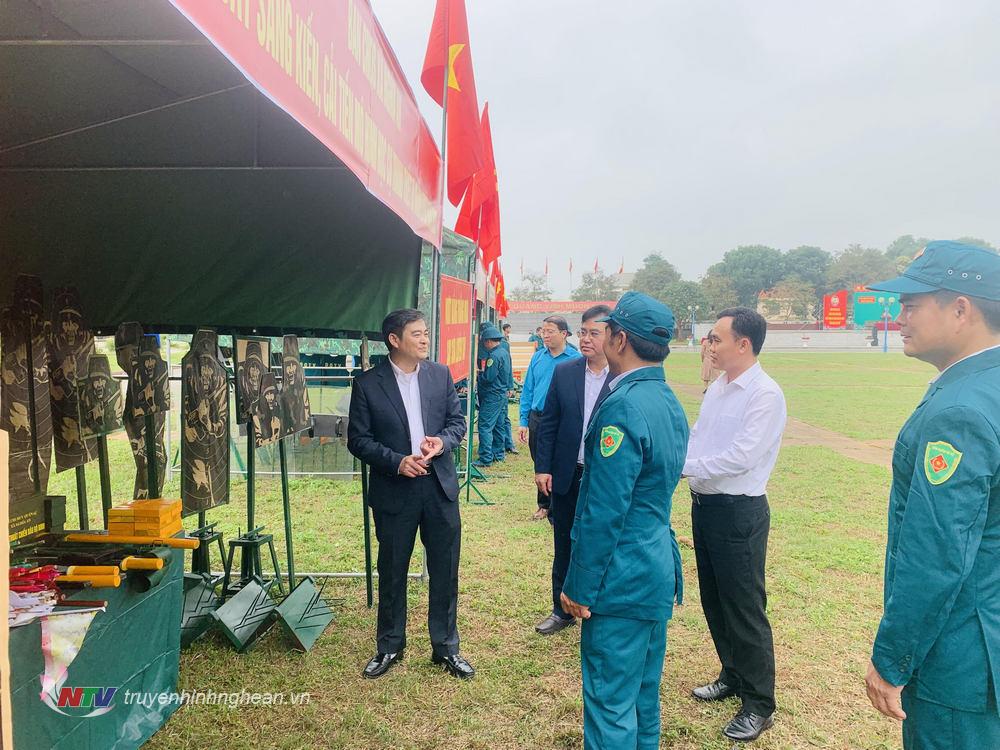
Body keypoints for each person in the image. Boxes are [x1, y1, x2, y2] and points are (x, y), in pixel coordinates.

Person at [861, 241, 1000, 749]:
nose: (898, 317)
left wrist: (892, 658)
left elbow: (937, 553)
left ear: (960, 309)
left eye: (911, 304)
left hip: (961, 659)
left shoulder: (960, 409)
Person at [560, 291, 687, 750]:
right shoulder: (667, 398)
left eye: (607, 330)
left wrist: (579, 585)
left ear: (620, 339)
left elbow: (604, 510)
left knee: (610, 703)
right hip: (653, 569)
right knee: (641, 699)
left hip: (621, 577)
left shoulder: (623, 405)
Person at [347, 309, 473, 680]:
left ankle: (446, 648)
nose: (425, 339)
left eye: (426, 332)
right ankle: (389, 646)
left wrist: (442, 442)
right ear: (394, 339)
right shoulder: (368, 384)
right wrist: (398, 461)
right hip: (395, 490)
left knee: (445, 569)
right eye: (416, 333)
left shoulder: (440, 374)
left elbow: (457, 423)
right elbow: (358, 440)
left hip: (438, 487)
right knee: (392, 570)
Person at [684, 307, 786, 742]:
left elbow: (742, 456)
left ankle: (759, 704)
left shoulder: (764, 394)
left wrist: (685, 467)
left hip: (738, 512)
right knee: (715, 599)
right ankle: (732, 673)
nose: (709, 345)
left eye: (716, 338)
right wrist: (684, 460)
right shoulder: (719, 388)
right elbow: (699, 437)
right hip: (705, 506)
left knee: (744, 607)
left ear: (743, 344)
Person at [532, 305, 611, 636]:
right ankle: (561, 610)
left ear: (614, 337)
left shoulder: (623, 378)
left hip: (604, 479)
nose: (587, 339)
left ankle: (600, 609)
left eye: (595, 333)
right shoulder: (566, 372)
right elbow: (549, 423)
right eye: (583, 332)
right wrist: (543, 468)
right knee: (563, 542)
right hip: (567, 474)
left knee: (601, 544)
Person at [519, 315, 581, 519]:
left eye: (550, 331)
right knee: (540, 460)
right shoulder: (538, 357)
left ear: (564, 334)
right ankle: (544, 504)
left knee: (561, 460)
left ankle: (558, 505)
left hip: (564, 418)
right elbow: (528, 389)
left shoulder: (576, 359)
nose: (545, 335)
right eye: (543, 331)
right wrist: (523, 420)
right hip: (538, 417)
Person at [473, 324, 510, 468]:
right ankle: (498, 454)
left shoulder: (493, 356)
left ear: (488, 341)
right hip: (501, 394)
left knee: (484, 426)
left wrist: (479, 376)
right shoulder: (504, 352)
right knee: (499, 425)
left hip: (492, 395)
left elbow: (488, 378)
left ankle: (485, 458)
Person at [499, 322, 517, 455]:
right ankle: (507, 445)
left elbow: (508, 366)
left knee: (504, 417)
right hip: (501, 387)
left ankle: (508, 444)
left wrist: (510, 386)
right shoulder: (503, 342)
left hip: (501, 387)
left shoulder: (504, 344)